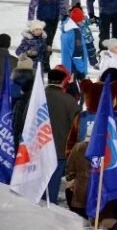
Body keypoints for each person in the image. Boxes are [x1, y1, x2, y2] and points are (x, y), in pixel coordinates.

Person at [44, 67, 80, 205]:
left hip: (39, 145)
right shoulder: (69, 101)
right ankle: (49, 207)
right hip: (60, 148)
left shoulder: (37, 97)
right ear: (62, 81)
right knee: (54, 181)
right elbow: (77, 126)